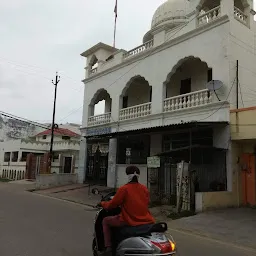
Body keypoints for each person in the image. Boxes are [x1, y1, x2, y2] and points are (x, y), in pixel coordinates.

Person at [99, 165, 155, 255]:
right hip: (147, 220)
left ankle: (108, 248)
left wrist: (102, 203)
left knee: (105, 220)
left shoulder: (124, 189)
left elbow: (112, 204)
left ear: (127, 175)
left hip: (129, 220)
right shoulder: (144, 188)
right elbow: (147, 202)